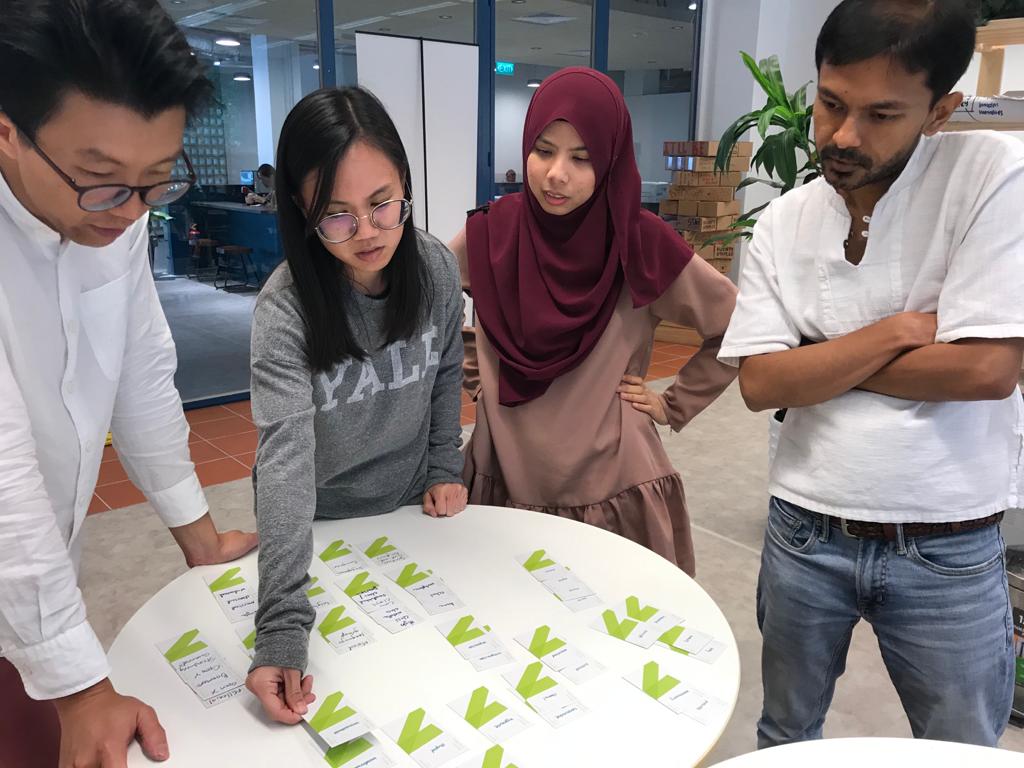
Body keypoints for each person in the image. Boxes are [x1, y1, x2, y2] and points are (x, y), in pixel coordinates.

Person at [718, 0, 1024, 748]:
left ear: (941, 109)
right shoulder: (788, 220)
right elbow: (760, 385)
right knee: (786, 731)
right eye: (830, 103)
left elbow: (987, 368)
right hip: (803, 529)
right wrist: (895, 333)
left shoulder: (991, 177)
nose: (843, 136)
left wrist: (816, 359)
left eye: (882, 114)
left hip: (947, 541)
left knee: (960, 749)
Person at [0, 2, 259, 766]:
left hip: (41, 572)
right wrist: (80, 686)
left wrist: (198, 534)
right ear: (7, 131)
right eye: (102, 181)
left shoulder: (119, 217)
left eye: (155, 181)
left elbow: (141, 369)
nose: (131, 210)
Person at [450, 67, 738, 575]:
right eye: (543, 151)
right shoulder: (492, 232)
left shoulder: (640, 242)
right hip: (503, 476)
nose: (556, 173)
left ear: (610, 160)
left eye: (582, 158)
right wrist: (478, 372)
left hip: (610, 488)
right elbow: (418, 301)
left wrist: (672, 403)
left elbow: (738, 323)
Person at [245, 87, 467, 723]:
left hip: (408, 508)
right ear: (302, 209)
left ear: (405, 183)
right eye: (337, 215)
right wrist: (282, 628)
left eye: (383, 205)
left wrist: (443, 467)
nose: (368, 232)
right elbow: (284, 462)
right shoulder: (284, 311)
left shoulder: (435, 268)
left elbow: (448, 369)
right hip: (319, 520)